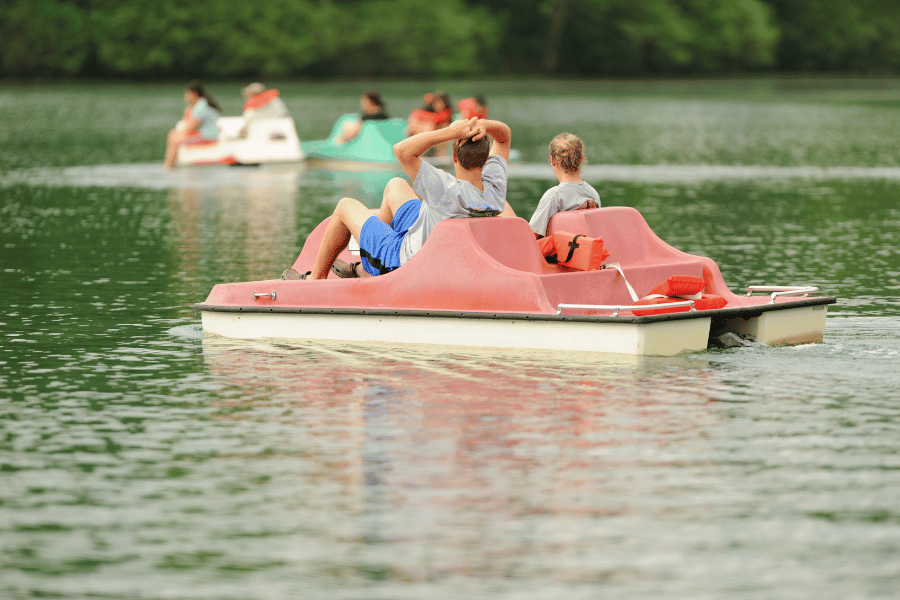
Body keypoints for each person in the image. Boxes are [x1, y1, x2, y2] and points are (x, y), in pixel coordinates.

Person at [282, 116, 515, 281]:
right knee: (396, 185)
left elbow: (401, 150)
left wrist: (452, 132)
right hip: (432, 242)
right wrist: (481, 124)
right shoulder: (494, 188)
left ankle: (317, 278)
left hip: (404, 262)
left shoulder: (445, 189)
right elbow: (504, 137)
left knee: (344, 206)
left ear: (454, 155)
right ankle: (366, 267)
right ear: (486, 159)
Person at [528, 132, 601, 238]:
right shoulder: (592, 194)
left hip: (558, 254)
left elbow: (532, 235)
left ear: (552, 160)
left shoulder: (553, 196)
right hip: (584, 252)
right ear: (581, 159)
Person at [164, 81, 223, 169]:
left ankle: (168, 166)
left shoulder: (201, 107)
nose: (185, 97)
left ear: (194, 94)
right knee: (173, 134)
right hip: (208, 135)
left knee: (174, 138)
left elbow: (190, 128)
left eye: (187, 94)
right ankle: (170, 164)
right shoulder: (202, 104)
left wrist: (180, 133)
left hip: (208, 137)